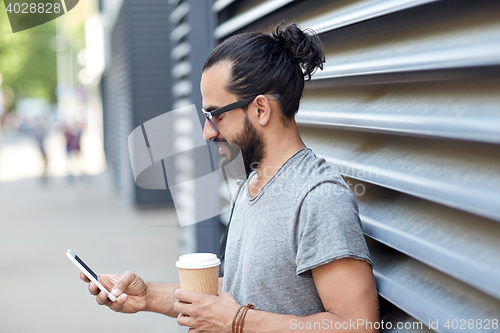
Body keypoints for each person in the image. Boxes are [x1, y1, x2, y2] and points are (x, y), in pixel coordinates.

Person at [80, 23, 379, 332]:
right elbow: (240, 289)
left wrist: (237, 322)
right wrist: (148, 295)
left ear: (261, 109)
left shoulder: (318, 197)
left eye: (216, 115)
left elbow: (357, 324)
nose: (207, 132)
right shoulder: (251, 184)